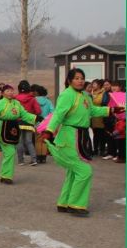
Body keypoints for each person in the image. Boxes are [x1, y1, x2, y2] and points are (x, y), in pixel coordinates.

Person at [41, 69, 122, 216]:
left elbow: (92, 111)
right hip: (69, 135)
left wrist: (111, 110)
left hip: (81, 135)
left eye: (82, 78)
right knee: (84, 171)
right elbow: (58, 114)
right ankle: (76, 204)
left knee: (73, 171)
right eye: (77, 78)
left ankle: (64, 202)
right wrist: (49, 130)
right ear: (70, 80)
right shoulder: (67, 95)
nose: (80, 81)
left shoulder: (85, 95)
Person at [0, 84, 37, 184]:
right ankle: (7, 176)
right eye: (8, 91)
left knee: (9, 153)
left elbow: (24, 114)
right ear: (3, 93)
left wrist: (35, 118)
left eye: (12, 90)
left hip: (13, 128)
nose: (10, 92)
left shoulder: (17, 103)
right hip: (2, 128)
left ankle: (4, 175)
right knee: (10, 152)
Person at [15, 80, 41, 166]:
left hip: (18, 122)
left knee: (19, 142)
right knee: (29, 141)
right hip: (29, 122)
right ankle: (34, 159)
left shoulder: (15, 99)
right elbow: (38, 111)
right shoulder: (32, 99)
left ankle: (20, 160)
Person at [31, 84, 54, 163]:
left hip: (37, 122)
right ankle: (43, 157)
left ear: (36, 92)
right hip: (46, 123)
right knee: (44, 140)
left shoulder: (34, 100)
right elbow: (52, 112)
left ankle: (38, 156)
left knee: (37, 140)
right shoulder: (48, 101)